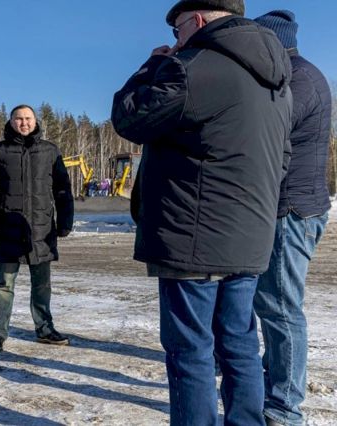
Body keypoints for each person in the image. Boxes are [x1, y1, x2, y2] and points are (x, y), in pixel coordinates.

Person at [110, 0, 293, 424]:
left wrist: (150, 66)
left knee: (191, 350)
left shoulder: (191, 68)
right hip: (249, 238)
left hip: (193, 238)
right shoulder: (277, 81)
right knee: (240, 346)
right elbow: (282, 158)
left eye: (176, 31)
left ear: (195, 20)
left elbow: (129, 118)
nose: (176, 40)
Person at [252, 10, 332, 426]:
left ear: (274, 44)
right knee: (273, 304)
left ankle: (284, 408)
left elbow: (267, 130)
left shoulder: (298, 80)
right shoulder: (296, 76)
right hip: (291, 206)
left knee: (280, 308)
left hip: (291, 210)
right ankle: (275, 384)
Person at [0, 104, 74, 353]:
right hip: (8, 229)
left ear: (35, 121)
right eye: (19, 119)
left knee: (42, 284)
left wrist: (66, 220)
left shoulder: (50, 151)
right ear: (11, 122)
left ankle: (45, 329)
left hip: (41, 230)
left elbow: (63, 189)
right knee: (4, 285)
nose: (24, 123)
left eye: (28, 118)